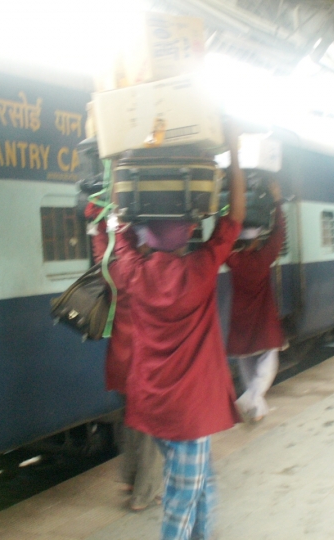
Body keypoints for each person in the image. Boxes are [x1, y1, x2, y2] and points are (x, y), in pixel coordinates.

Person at [108, 120, 245, 540]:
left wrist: (114, 182)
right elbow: (233, 220)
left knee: (202, 482)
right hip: (189, 410)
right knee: (182, 496)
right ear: (189, 230)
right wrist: (236, 154)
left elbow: (117, 233)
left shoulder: (133, 270)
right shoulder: (201, 270)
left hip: (152, 403)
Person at [84, 205, 162, 512]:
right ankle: (144, 494)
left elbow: (101, 255)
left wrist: (98, 227)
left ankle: (130, 479)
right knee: (150, 428)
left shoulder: (117, 272)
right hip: (147, 364)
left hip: (121, 360)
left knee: (130, 421)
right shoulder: (155, 273)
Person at [225, 181, 286, 423]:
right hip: (263, 322)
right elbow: (279, 234)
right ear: (255, 241)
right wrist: (278, 203)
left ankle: (257, 410)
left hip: (240, 323)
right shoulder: (263, 258)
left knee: (247, 369)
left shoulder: (233, 260)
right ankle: (247, 402)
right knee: (268, 365)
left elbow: (221, 244)